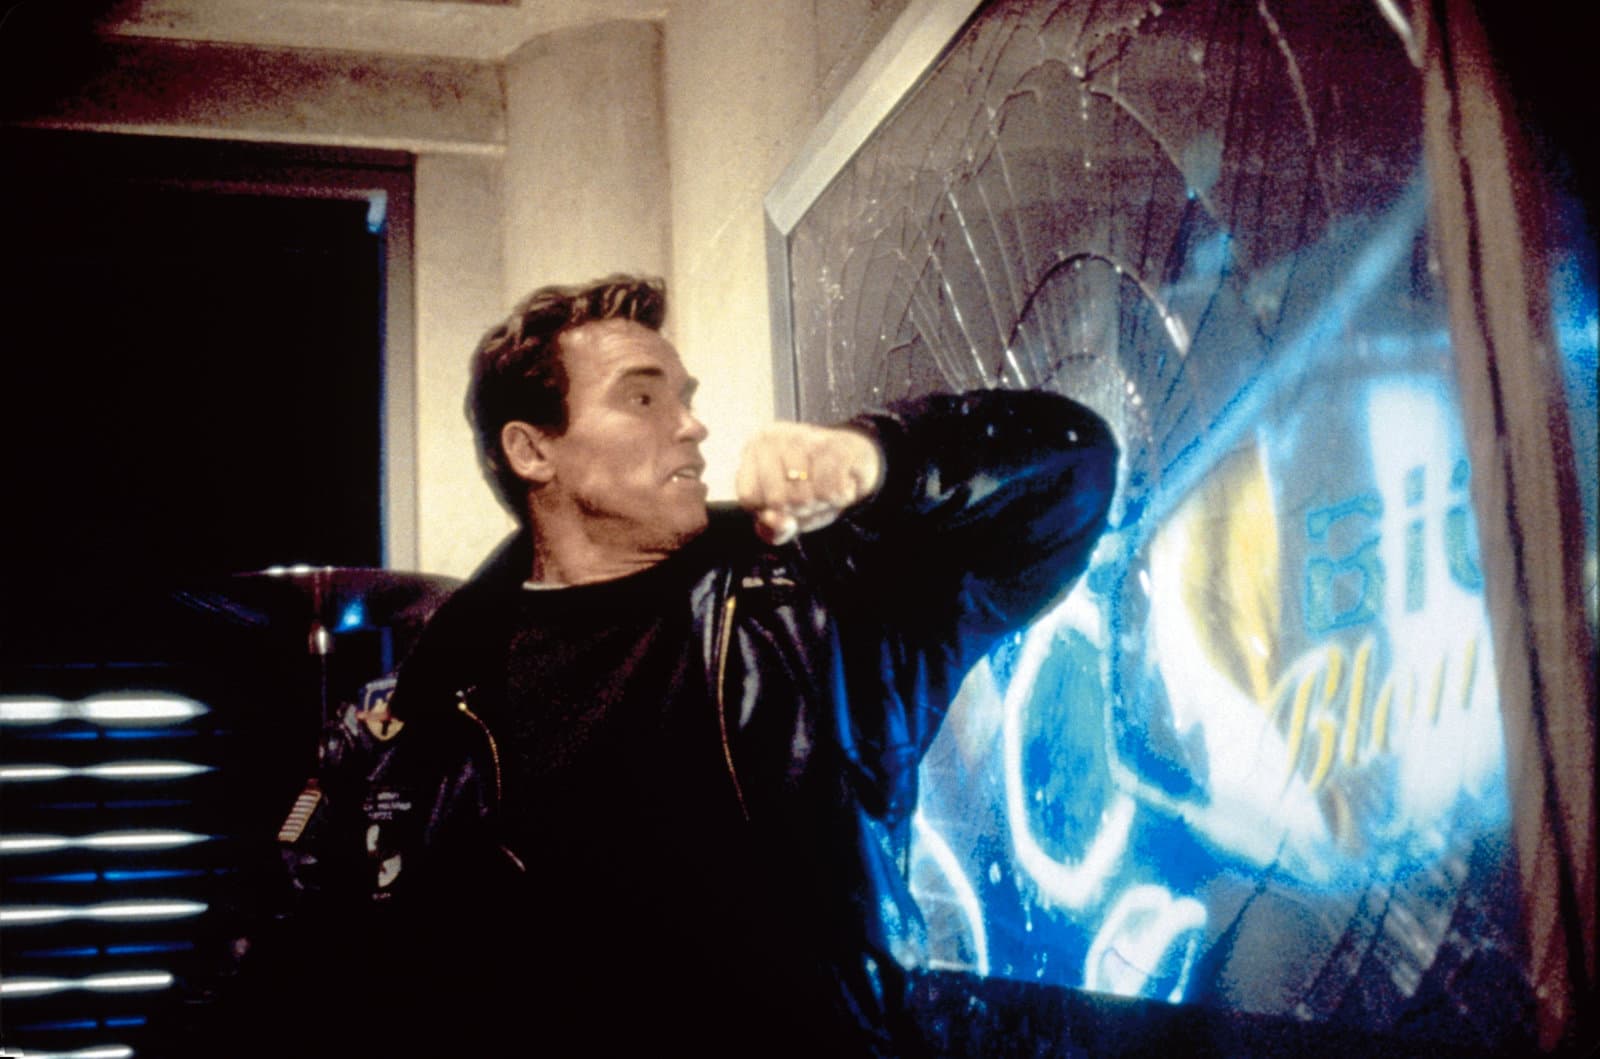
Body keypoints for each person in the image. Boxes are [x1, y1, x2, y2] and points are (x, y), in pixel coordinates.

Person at [275, 274, 1117, 1057]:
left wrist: (879, 458)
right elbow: (344, 966)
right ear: (533, 451)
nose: (691, 424)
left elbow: (1073, 469)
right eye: (642, 397)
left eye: (685, 397)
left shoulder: (817, 595)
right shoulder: (428, 705)